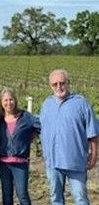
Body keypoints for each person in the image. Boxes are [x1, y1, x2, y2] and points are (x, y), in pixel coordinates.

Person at [39, 69, 99, 205]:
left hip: (76, 161)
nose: (59, 87)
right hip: (53, 162)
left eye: (62, 83)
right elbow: (39, 129)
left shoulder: (81, 103)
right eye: (55, 84)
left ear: (68, 83)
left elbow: (93, 133)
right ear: (50, 86)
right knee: (56, 199)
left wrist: (94, 156)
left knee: (81, 199)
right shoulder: (46, 104)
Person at [0, 87, 40, 205]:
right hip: (3, 163)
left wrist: (32, 135)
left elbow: (40, 126)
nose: (8, 103)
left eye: (11, 100)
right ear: (1, 102)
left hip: (20, 163)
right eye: (5, 100)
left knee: (23, 195)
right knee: (6, 195)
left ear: (15, 100)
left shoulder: (26, 116)